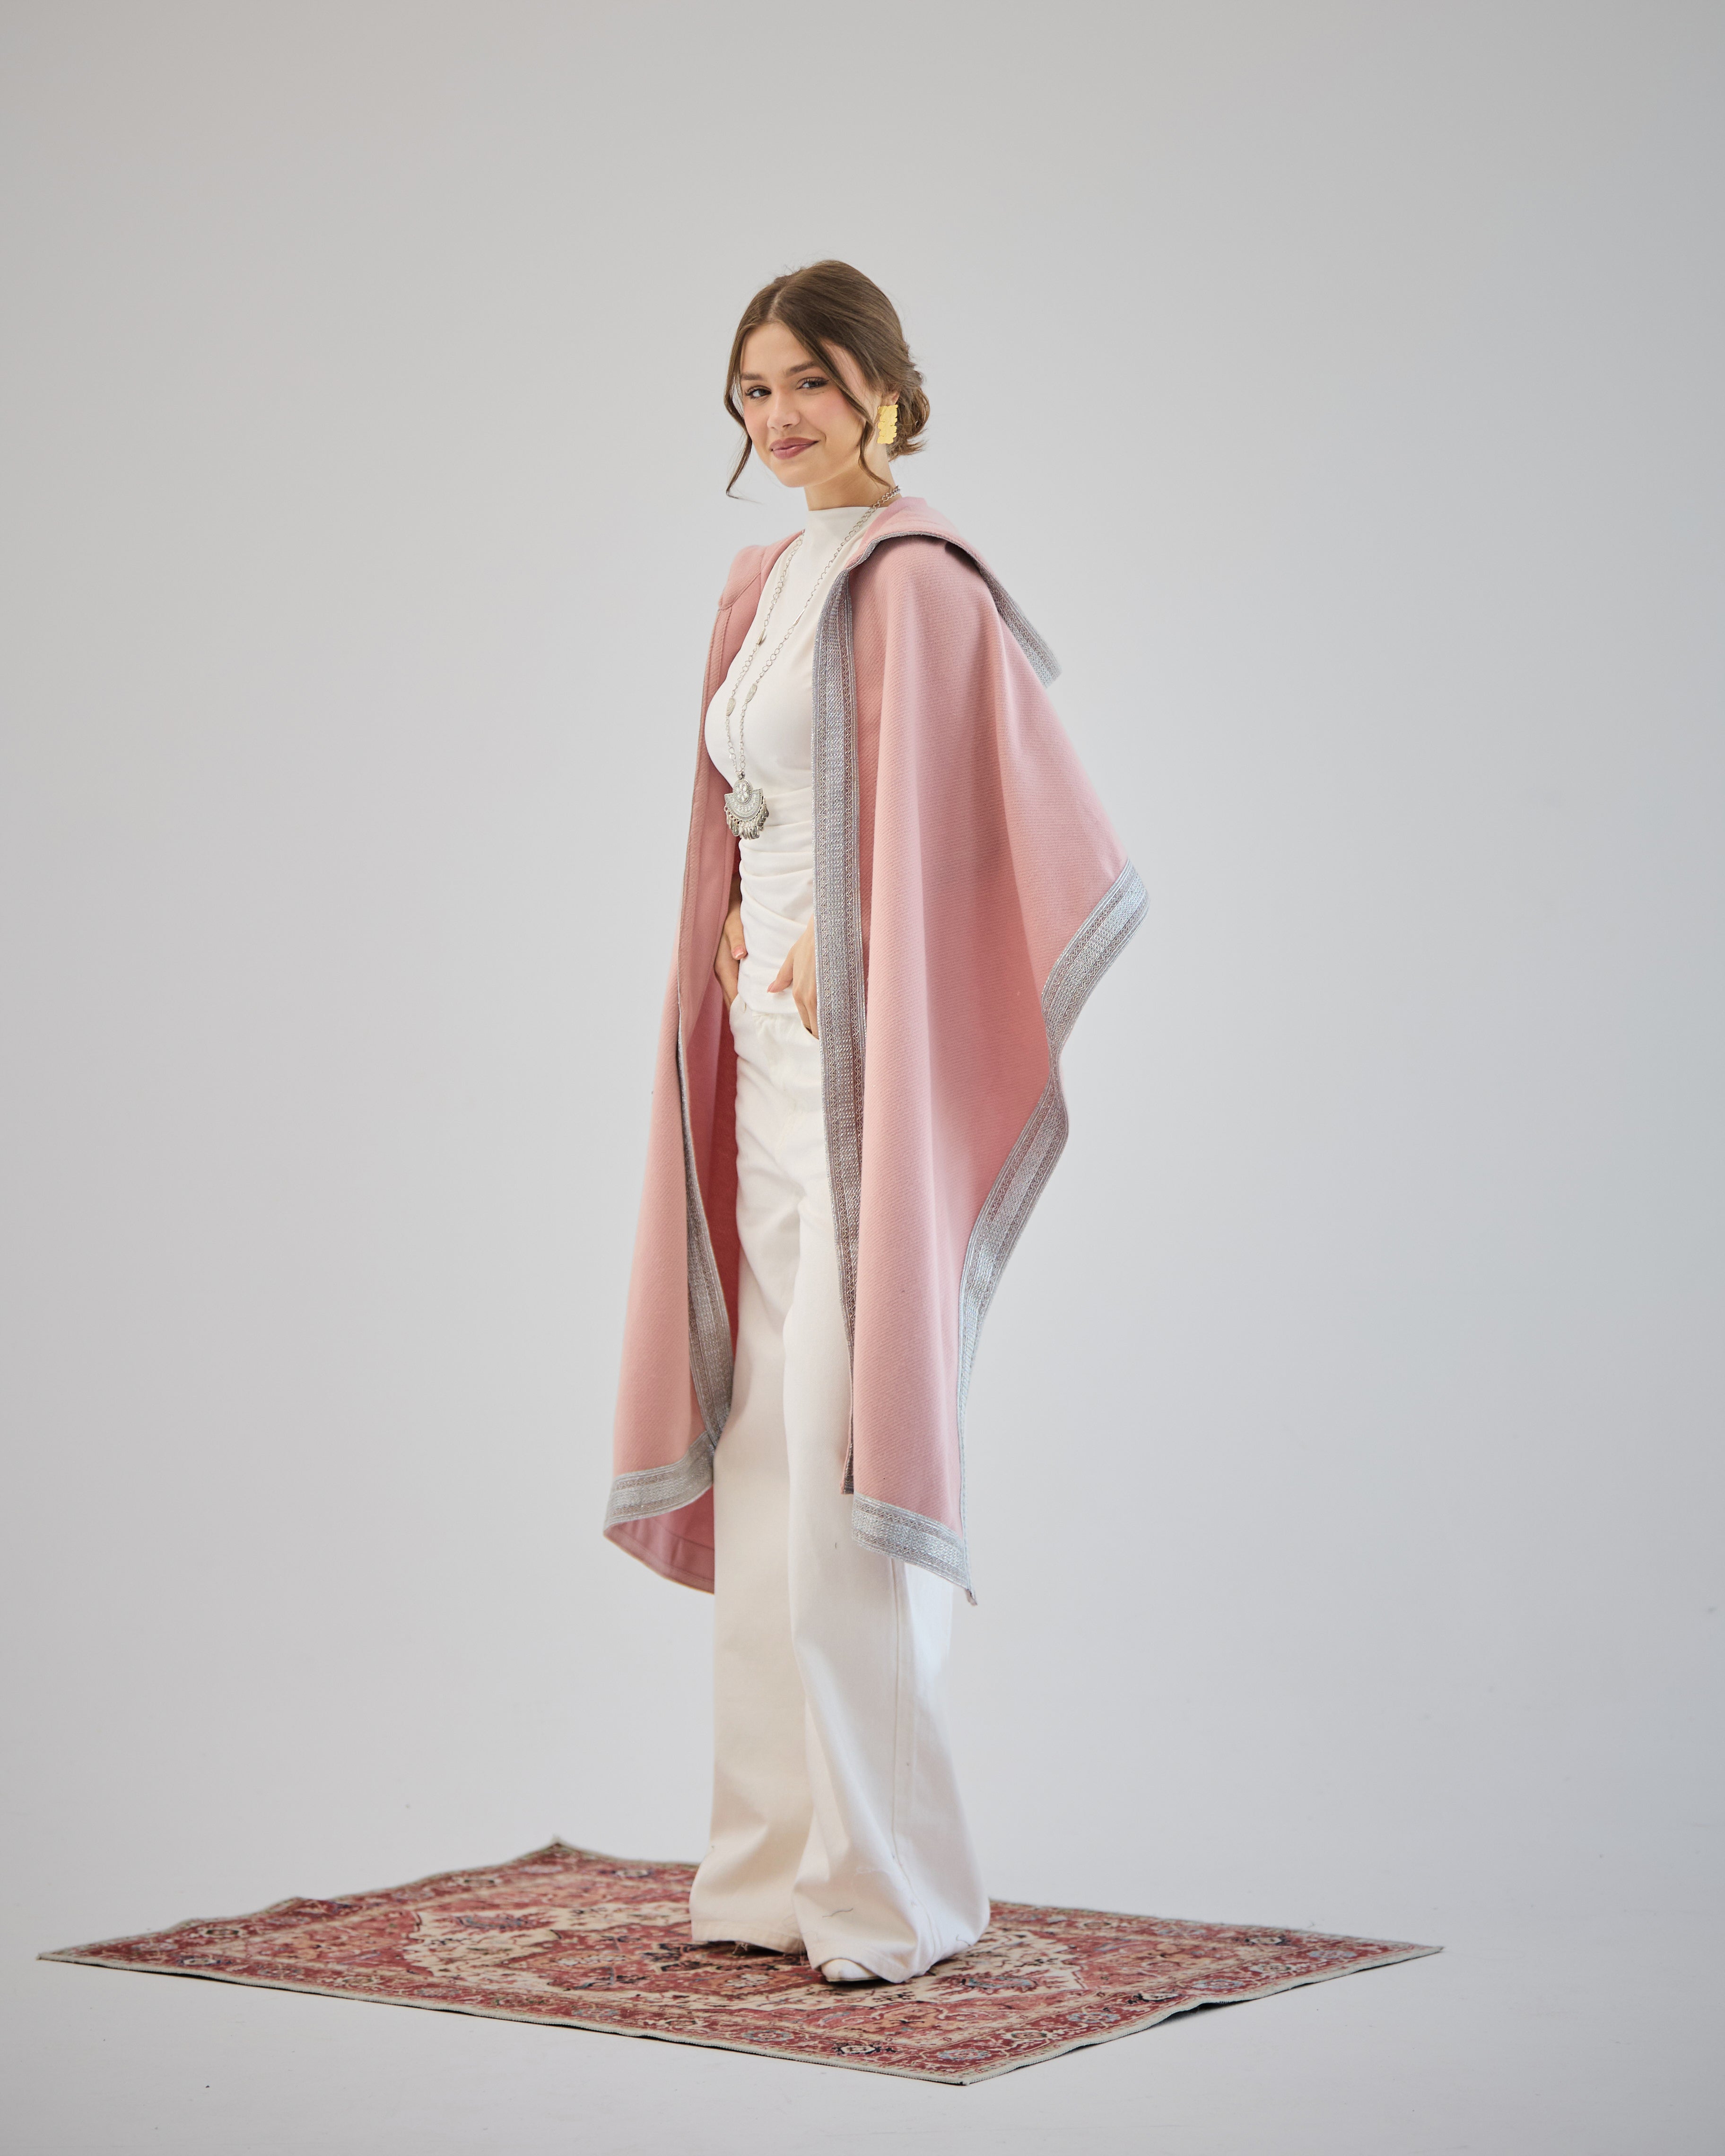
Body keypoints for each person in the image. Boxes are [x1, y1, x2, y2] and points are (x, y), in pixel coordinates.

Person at [604, 261, 1145, 1987]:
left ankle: (892, 1896)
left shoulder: (918, 581)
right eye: (755, 390)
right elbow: (740, 807)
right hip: (756, 1070)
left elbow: (1001, 826)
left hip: (860, 1087)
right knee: (767, 1460)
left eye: (812, 384)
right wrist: (732, 942)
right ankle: (770, 1875)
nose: (780, 417)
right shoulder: (758, 584)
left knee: (852, 1467)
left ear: (884, 391)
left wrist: (856, 942)